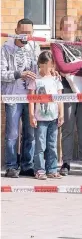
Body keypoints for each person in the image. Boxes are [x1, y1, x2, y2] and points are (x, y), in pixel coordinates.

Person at [51, 15, 82, 176]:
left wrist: (73, 68)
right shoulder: (57, 44)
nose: (68, 28)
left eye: (71, 25)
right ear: (61, 27)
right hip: (66, 89)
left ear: (75, 27)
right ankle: (66, 162)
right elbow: (61, 66)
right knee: (67, 128)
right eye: (65, 25)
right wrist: (81, 64)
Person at [1, 18, 40, 178]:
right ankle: (11, 166)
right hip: (12, 96)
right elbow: (1, 73)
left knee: (30, 133)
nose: (26, 36)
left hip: (30, 96)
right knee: (12, 133)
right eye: (23, 32)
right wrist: (19, 74)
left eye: (29, 33)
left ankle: (27, 165)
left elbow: (40, 69)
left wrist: (50, 72)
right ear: (16, 31)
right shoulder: (5, 48)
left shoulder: (35, 47)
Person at [28, 51, 64, 180]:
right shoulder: (35, 81)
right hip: (40, 119)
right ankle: (39, 169)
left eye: (49, 65)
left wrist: (61, 114)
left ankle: (52, 169)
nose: (47, 68)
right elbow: (31, 100)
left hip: (53, 118)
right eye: (44, 65)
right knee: (40, 145)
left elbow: (60, 98)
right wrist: (32, 115)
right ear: (39, 65)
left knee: (52, 144)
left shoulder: (56, 79)